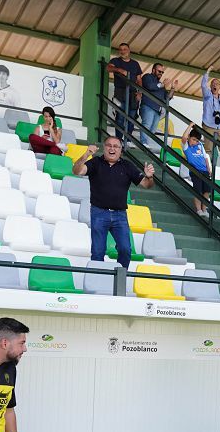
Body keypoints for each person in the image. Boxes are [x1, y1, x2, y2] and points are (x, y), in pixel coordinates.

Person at [72, 136, 156, 267]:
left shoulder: (127, 166)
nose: (112, 148)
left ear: (121, 150)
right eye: (109, 145)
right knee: (98, 252)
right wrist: (86, 154)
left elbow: (147, 185)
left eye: (115, 146)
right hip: (99, 212)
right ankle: (97, 282)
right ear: (104, 148)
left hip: (120, 215)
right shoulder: (95, 162)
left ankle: (119, 280)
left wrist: (149, 177)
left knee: (125, 250)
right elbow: (77, 171)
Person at [107, 43, 142, 140]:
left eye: (125, 49)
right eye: (121, 49)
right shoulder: (115, 61)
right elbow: (108, 68)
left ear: (129, 50)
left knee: (131, 118)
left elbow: (139, 79)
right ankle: (118, 140)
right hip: (120, 93)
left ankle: (128, 140)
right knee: (120, 118)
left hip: (133, 93)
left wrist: (140, 92)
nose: (122, 51)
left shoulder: (135, 64)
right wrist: (119, 70)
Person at [139, 63, 177, 151]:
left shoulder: (160, 84)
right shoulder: (147, 77)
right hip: (148, 105)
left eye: (162, 72)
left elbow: (167, 98)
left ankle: (145, 143)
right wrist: (162, 85)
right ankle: (143, 143)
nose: (161, 73)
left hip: (157, 110)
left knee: (152, 130)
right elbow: (150, 86)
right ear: (153, 70)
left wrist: (172, 89)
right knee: (147, 125)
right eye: (159, 71)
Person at [181, 124, 214, 218]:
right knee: (198, 191)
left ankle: (204, 209)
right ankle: (199, 210)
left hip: (205, 171)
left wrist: (209, 168)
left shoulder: (200, 145)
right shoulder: (186, 145)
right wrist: (190, 125)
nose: (195, 142)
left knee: (207, 191)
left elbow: (205, 157)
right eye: (193, 139)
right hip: (195, 171)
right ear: (189, 138)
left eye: (197, 140)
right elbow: (184, 137)